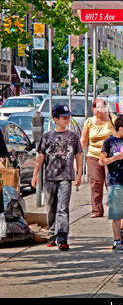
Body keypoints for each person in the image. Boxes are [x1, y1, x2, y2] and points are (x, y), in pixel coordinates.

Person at [32, 103, 83, 251]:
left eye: (68, 117)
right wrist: (35, 175)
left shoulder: (73, 136)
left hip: (66, 177)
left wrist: (79, 174)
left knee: (63, 208)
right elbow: (40, 156)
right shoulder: (47, 136)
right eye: (64, 117)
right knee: (51, 208)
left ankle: (62, 236)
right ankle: (53, 234)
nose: (67, 120)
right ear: (55, 119)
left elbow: (79, 156)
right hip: (49, 177)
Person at [99, 114, 123, 253]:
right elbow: (101, 161)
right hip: (115, 180)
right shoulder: (109, 142)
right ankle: (117, 242)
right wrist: (114, 158)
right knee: (116, 213)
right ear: (121, 129)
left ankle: (120, 229)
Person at [80, 97, 116, 218]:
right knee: (96, 182)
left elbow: (120, 135)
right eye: (97, 107)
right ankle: (97, 210)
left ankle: (114, 207)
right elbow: (83, 141)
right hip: (93, 155)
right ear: (93, 108)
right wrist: (78, 158)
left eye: (102, 107)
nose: (99, 110)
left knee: (110, 181)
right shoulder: (89, 122)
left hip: (110, 155)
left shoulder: (112, 119)